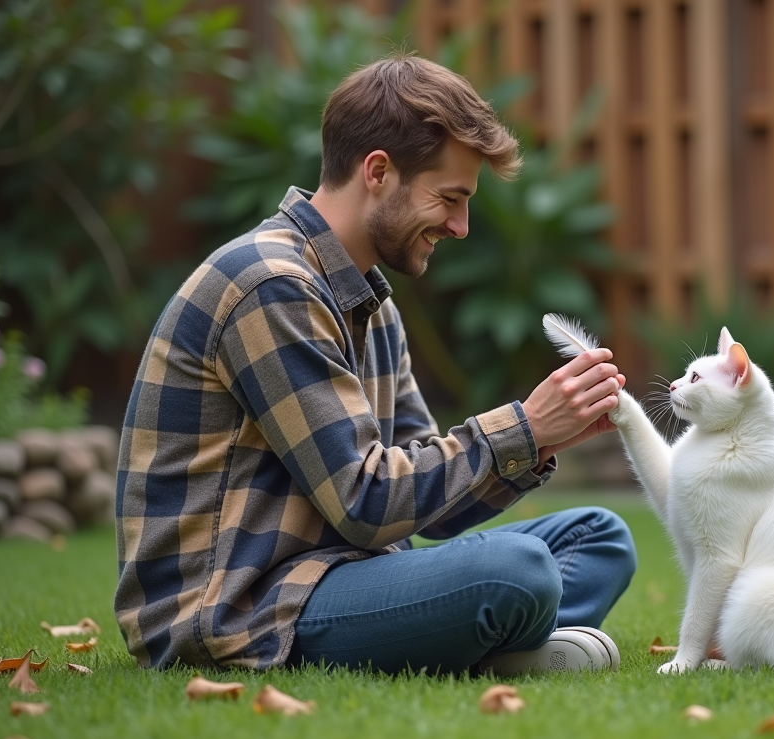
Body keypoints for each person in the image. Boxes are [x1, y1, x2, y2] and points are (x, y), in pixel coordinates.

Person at [114, 55, 637, 675]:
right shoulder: (271, 287)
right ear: (379, 172)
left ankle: (485, 644)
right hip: (241, 609)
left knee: (597, 537)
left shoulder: (370, 303)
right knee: (519, 573)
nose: (462, 226)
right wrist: (520, 426)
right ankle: (490, 645)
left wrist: (541, 440)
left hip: (347, 574)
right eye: (450, 198)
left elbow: (423, 504)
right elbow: (367, 503)